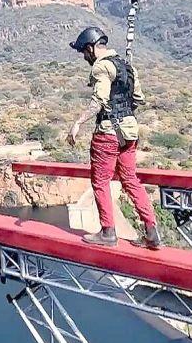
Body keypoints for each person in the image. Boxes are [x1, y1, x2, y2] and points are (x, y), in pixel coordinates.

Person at [66, 27, 161, 249]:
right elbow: (138, 99)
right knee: (130, 180)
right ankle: (151, 231)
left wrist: (78, 123)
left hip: (108, 134)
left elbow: (98, 100)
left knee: (100, 182)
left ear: (91, 47)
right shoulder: (127, 67)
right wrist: (123, 113)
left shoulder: (101, 67)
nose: (84, 57)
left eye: (84, 52)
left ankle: (108, 232)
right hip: (130, 132)